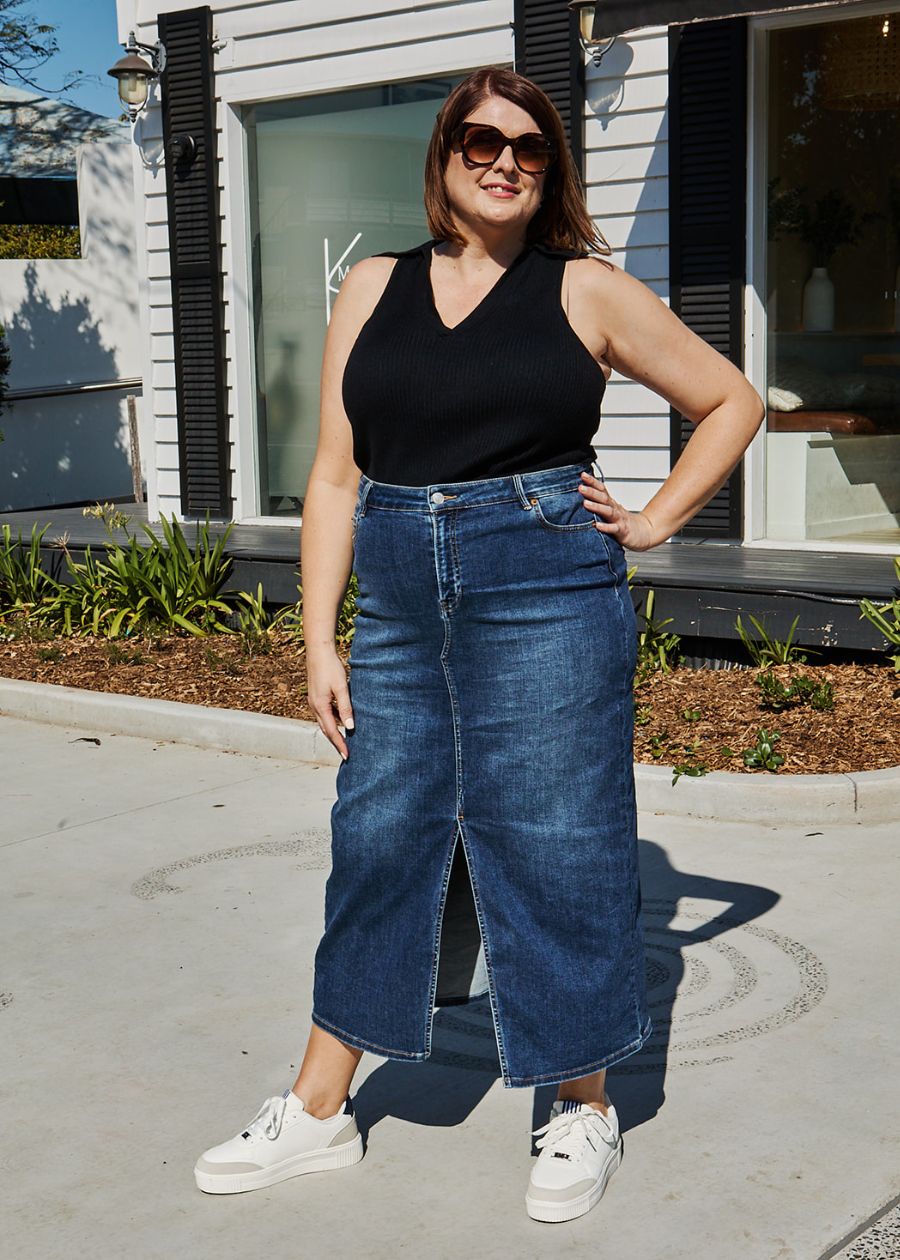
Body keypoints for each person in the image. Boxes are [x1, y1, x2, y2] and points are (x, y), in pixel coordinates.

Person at [194, 65, 765, 1222]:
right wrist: (319, 642)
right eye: (479, 140)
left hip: (546, 578)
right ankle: (317, 1109)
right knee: (379, 836)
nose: (504, 160)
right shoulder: (374, 285)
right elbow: (334, 477)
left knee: (560, 842)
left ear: (550, 170)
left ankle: (582, 1104)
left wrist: (653, 522)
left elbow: (732, 401)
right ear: (445, 154)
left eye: (530, 147)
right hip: (400, 595)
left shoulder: (585, 290)